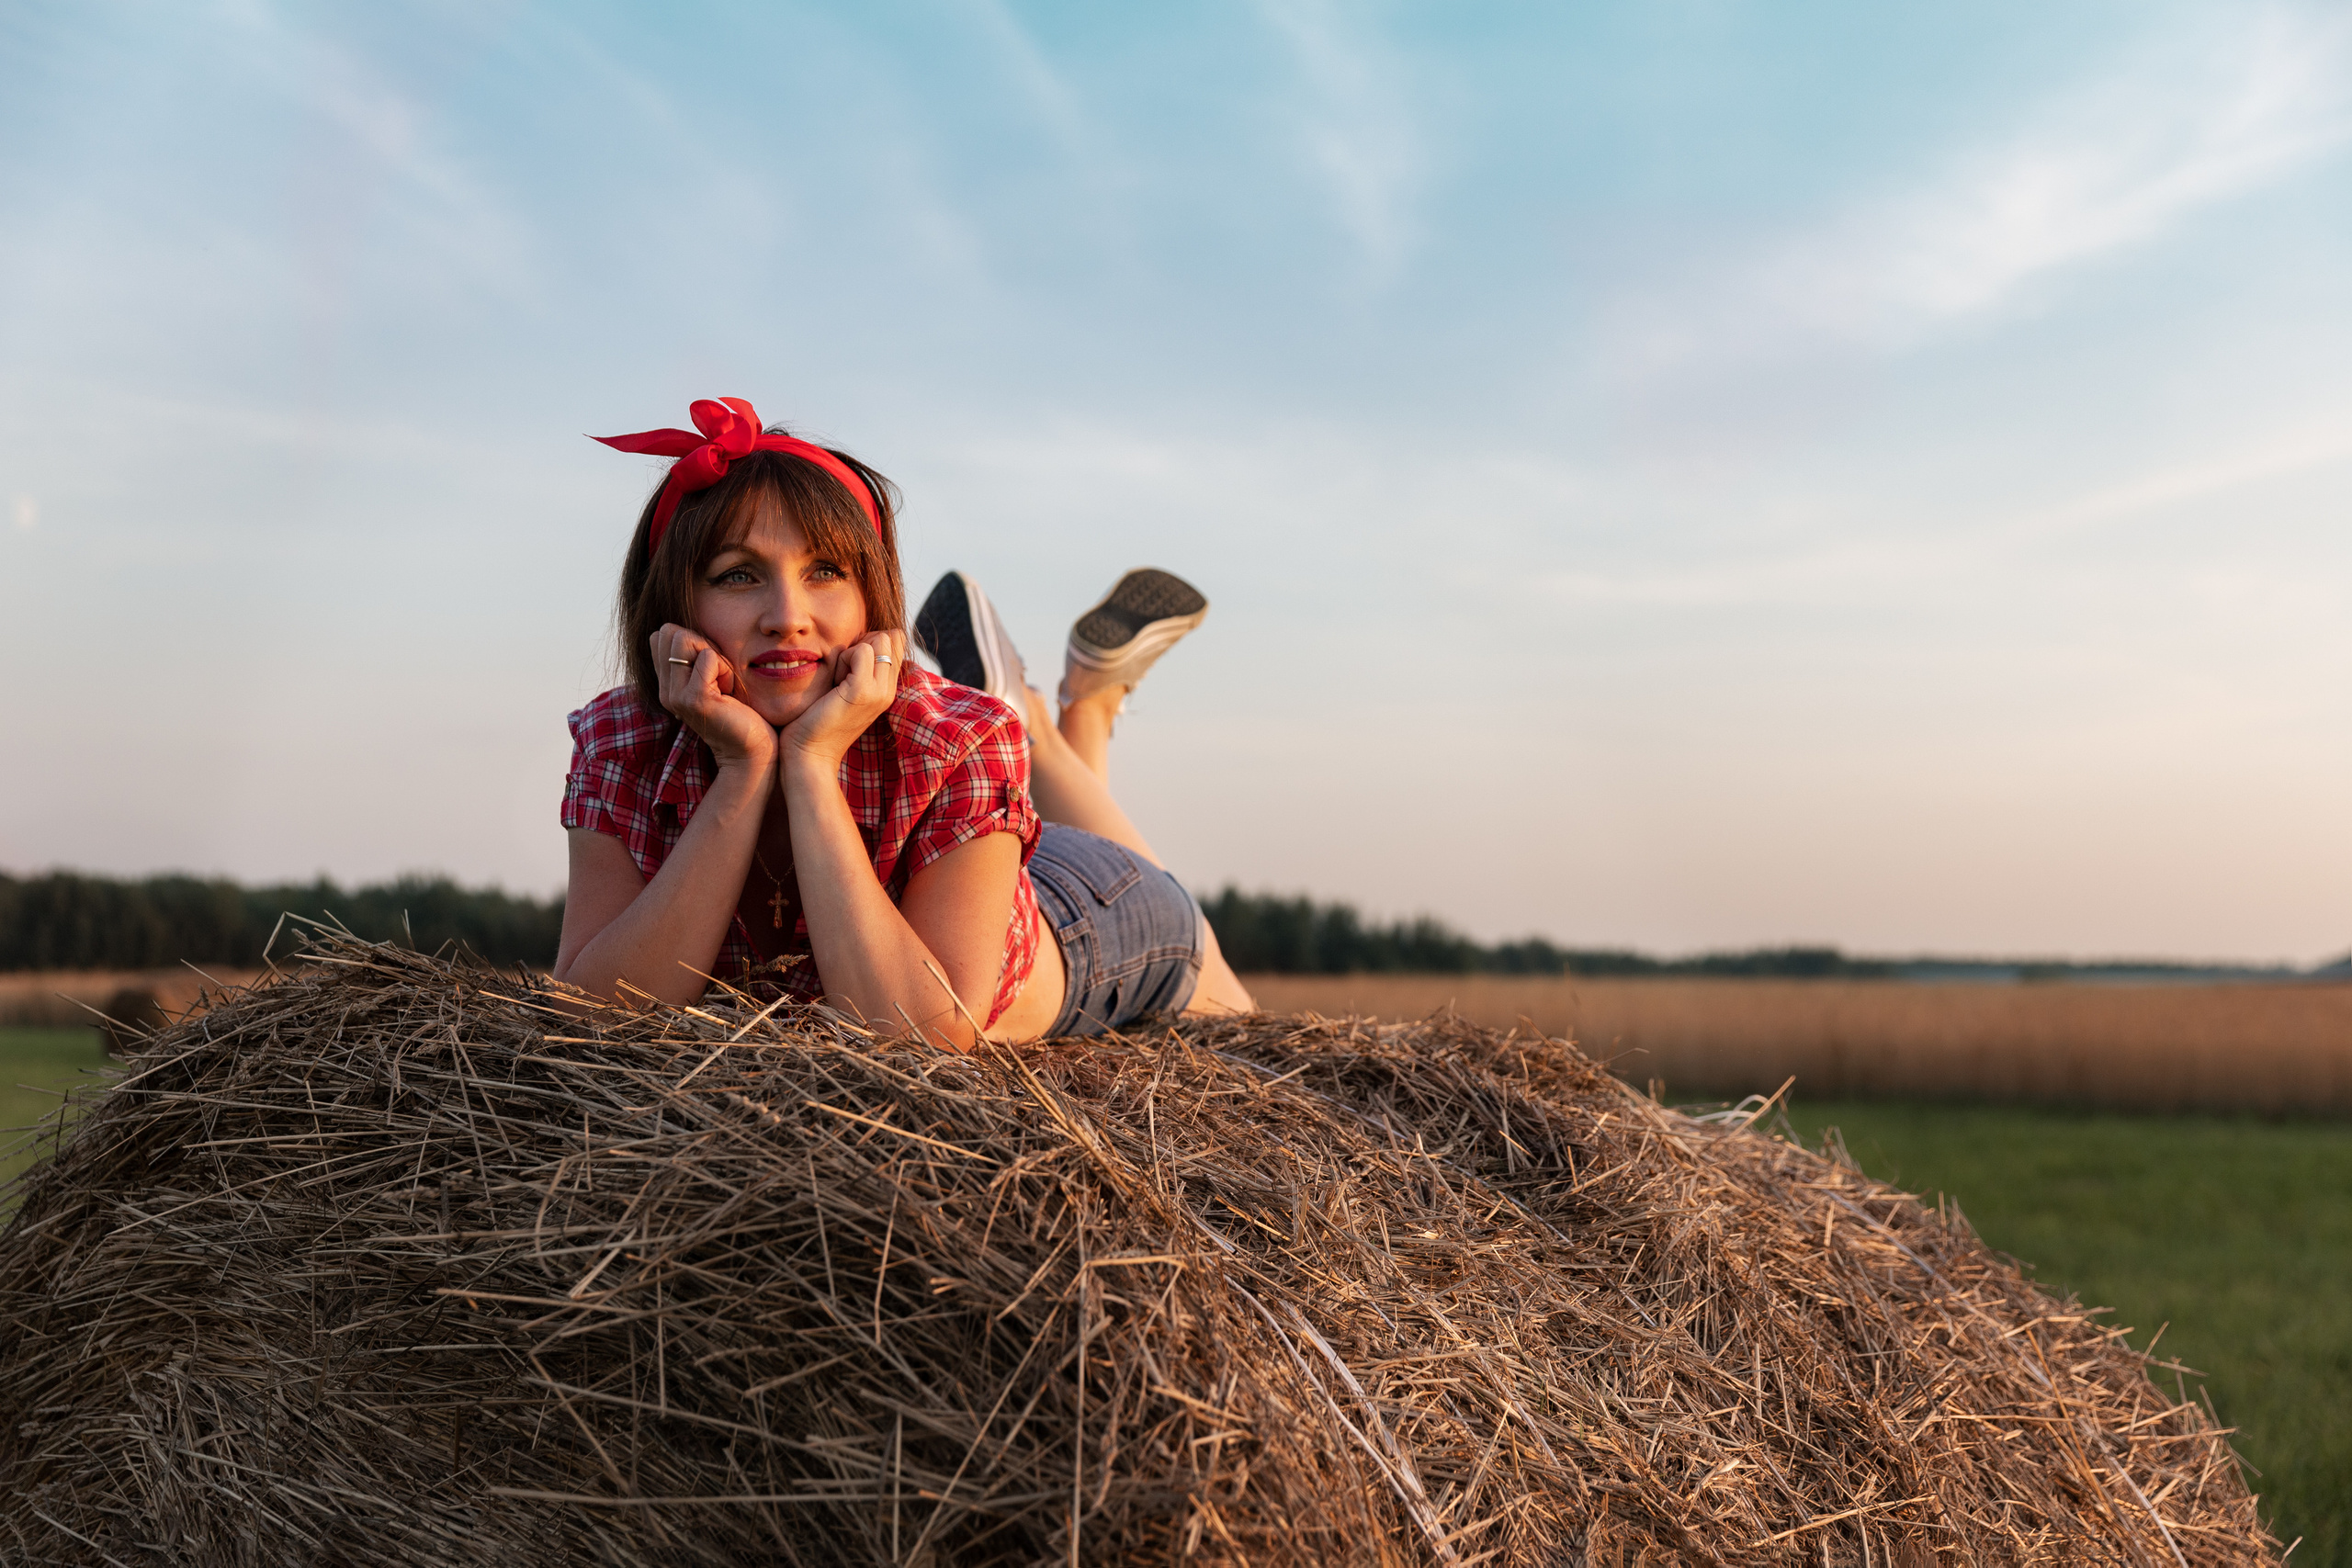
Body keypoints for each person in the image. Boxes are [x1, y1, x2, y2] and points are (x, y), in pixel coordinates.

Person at [552, 397, 1255, 1047]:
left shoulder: (957, 738)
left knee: (1242, 1018)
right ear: (672, 608)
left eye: (825, 570)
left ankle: (1056, 717)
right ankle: (1071, 712)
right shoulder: (626, 742)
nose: (786, 616)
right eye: (738, 574)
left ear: (872, 600)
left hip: (1094, 915)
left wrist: (814, 764)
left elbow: (921, 1034)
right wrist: (742, 772)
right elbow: (592, 1017)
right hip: (982, 859)